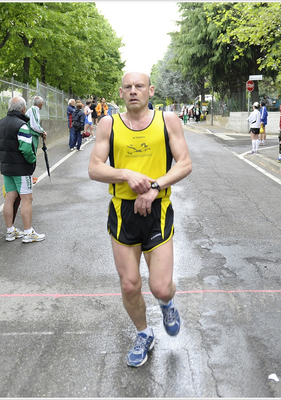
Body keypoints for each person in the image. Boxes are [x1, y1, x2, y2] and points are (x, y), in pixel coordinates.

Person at [88, 71, 192, 368]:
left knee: (160, 286)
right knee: (130, 284)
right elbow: (95, 168)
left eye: (140, 86)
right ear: (120, 93)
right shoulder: (109, 123)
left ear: (151, 91)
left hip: (157, 211)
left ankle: (167, 304)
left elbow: (184, 163)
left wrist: (155, 187)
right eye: (128, 87)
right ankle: (144, 334)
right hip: (123, 212)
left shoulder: (167, 120)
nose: (134, 91)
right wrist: (125, 173)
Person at [0, 96, 45, 243]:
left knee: (10, 198)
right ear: (23, 109)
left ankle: (10, 231)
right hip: (21, 169)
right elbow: (26, 149)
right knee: (27, 199)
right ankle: (28, 233)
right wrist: (33, 161)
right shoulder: (22, 125)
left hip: (6, 167)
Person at [25, 96, 47, 184]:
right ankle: (28, 177)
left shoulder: (34, 110)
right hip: (31, 136)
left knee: (32, 155)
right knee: (31, 156)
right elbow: (34, 125)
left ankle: (29, 176)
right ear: (41, 104)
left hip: (33, 135)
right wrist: (43, 132)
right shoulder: (33, 110)